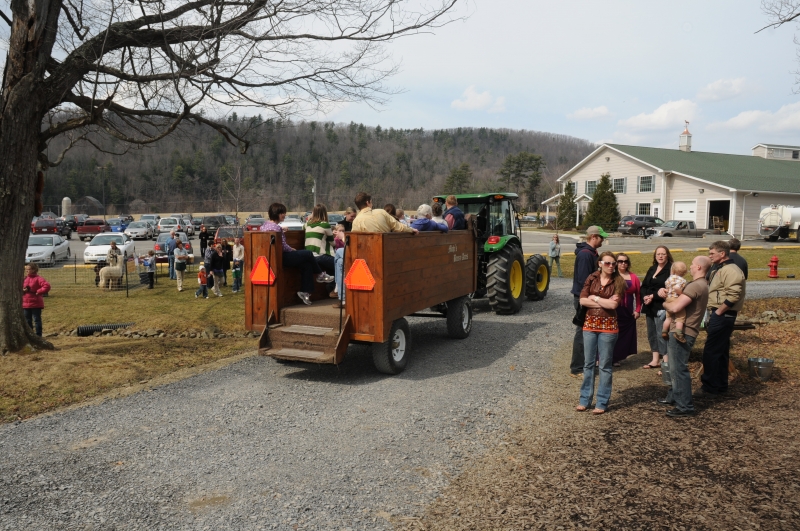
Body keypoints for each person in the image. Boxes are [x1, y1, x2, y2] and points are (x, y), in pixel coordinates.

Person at [334, 192, 418, 308]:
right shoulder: (381, 212)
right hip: (386, 254)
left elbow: (353, 243)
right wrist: (411, 230)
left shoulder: (357, 221)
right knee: (338, 259)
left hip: (366, 258)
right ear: (368, 203)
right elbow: (398, 226)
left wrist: (342, 238)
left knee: (338, 255)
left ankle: (341, 295)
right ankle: (340, 293)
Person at [659, 256, 711, 417]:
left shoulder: (696, 285)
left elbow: (675, 307)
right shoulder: (700, 285)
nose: (690, 267)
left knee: (678, 369)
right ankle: (675, 397)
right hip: (686, 330)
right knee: (676, 368)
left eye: (692, 264)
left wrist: (664, 303)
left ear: (699, 268)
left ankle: (685, 406)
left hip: (683, 331)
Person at [577, 251, 624, 415]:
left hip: (608, 328)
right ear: (600, 264)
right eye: (607, 263)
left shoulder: (619, 281)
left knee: (604, 366)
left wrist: (595, 299)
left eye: (613, 263)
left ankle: (602, 402)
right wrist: (604, 302)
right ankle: (584, 400)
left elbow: (613, 306)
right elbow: (582, 300)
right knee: (588, 364)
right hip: (589, 326)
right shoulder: (592, 278)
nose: (611, 266)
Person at [259, 203, 334, 305]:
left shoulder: (265, 226)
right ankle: (320, 274)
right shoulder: (276, 228)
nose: (284, 215)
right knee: (308, 254)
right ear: (278, 214)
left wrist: (282, 230)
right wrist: (292, 249)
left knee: (306, 264)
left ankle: (305, 291)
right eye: (283, 213)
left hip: (274, 256)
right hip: (282, 256)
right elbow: (283, 246)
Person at [699, 240, 746, 396]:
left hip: (723, 316)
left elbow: (734, 294)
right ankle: (720, 386)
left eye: (712, 253)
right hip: (720, 315)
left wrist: (719, 312)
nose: (709, 256)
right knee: (720, 351)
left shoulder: (731, 270)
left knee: (711, 351)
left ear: (722, 253)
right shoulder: (720, 269)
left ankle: (709, 387)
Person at [569, 225, 606, 377]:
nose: (603, 240)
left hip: (587, 297)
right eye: (601, 237)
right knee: (582, 332)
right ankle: (577, 367)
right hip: (583, 298)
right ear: (594, 237)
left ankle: (586, 365)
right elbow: (585, 280)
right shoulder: (585, 255)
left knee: (589, 331)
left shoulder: (591, 253)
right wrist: (590, 297)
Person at [640, 246, 673, 369]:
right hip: (649, 306)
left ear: (667, 255)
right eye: (658, 254)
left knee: (662, 334)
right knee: (651, 333)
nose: (660, 256)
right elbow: (643, 286)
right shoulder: (652, 268)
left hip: (661, 306)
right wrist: (645, 297)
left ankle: (666, 361)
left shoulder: (671, 269)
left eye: (663, 254)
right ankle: (655, 359)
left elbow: (668, 290)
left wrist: (653, 296)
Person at [612, 253, 641, 366]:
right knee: (610, 334)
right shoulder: (612, 275)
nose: (623, 263)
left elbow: (638, 295)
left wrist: (638, 310)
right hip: (614, 310)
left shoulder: (634, 277)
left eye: (625, 261)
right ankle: (602, 357)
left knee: (623, 336)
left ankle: (616, 357)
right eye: (620, 261)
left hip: (627, 311)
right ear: (616, 263)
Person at [304, 204, 336, 294]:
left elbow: (304, 226)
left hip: (310, 256)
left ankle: (331, 288)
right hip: (320, 256)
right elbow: (332, 242)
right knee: (340, 265)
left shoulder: (307, 225)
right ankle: (334, 289)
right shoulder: (325, 225)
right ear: (324, 213)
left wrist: (309, 218)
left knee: (331, 266)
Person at [661, 262, 688, 343]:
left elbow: (667, 288)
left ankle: (664, 331)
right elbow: (676, 288)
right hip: (676, 299)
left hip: (668, 299)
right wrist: (681, 293)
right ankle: (678, 333)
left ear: (672, 270)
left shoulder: (669, 279)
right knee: (680, 317)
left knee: (668, 317)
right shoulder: (682, 280)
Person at [22, 263, 51, 337]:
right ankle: (30, 335)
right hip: (25, 303)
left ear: (34, 270)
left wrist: (39, 291)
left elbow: (47, 286)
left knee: (36, 320)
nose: (27, 271)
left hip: (36, 303)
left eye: (28, 269)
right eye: (26, 269)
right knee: (27, 320)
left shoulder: (38, 279)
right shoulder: (25, 279)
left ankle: (38, 335)